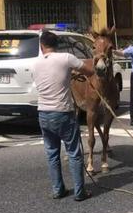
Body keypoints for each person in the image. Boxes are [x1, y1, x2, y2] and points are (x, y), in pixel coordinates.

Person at [34, 31, 94, 201]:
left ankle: (58, 190)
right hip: (63, 112)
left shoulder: (36, 63)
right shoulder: (66, 58)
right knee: (74, 153)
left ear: (41, 45)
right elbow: (89, 71)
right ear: (57, 45)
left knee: (52, 153)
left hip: (43, 113)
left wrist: (68, 76)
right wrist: (73, 74)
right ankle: (79, 192)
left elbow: (49, 80)